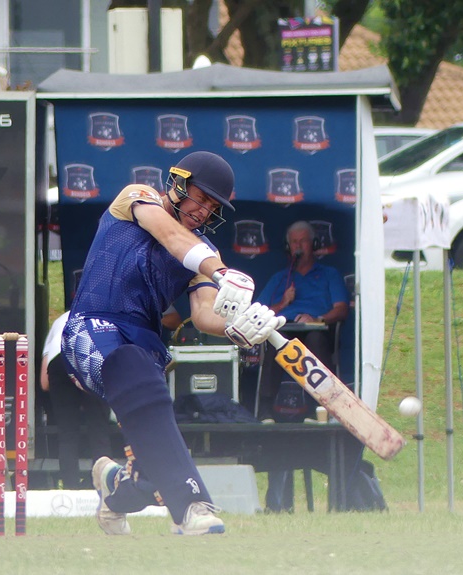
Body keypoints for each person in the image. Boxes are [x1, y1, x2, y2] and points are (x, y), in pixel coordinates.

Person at [61, 150, 284, 535]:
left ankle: (115, 490)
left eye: (213, 207)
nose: (203, 211)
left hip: (143, 346)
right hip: (91, 327)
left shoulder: (204, 252)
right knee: (133, 367)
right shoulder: (136, 198)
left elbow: (203, 312)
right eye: (200, 197)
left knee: (154, 478)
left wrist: (238, 327)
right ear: (178, 183)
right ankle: (193, 507)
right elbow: (169, 235)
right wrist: (221, 270)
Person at [254, 220, 350, 512]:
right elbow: (258, 311)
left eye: (303, 242)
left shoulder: (329, 274)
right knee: (273, 342)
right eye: (293, 242)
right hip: (285, 328)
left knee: (314, 342)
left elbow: (341, 308)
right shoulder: (281, 277)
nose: (298, 247)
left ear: (314, 244)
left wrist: (320, 319)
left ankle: (313, 409)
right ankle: (267, 410)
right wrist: (283, 303)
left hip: (315, 331)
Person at [40, 310, 114, 489]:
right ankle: (102, 488)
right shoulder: (108, 317)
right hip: (92, 355)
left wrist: (70, 393)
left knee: (67, 434)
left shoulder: (59, 321)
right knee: (99, 430)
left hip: (59, 361)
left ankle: (70, 490)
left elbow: (44, 383)